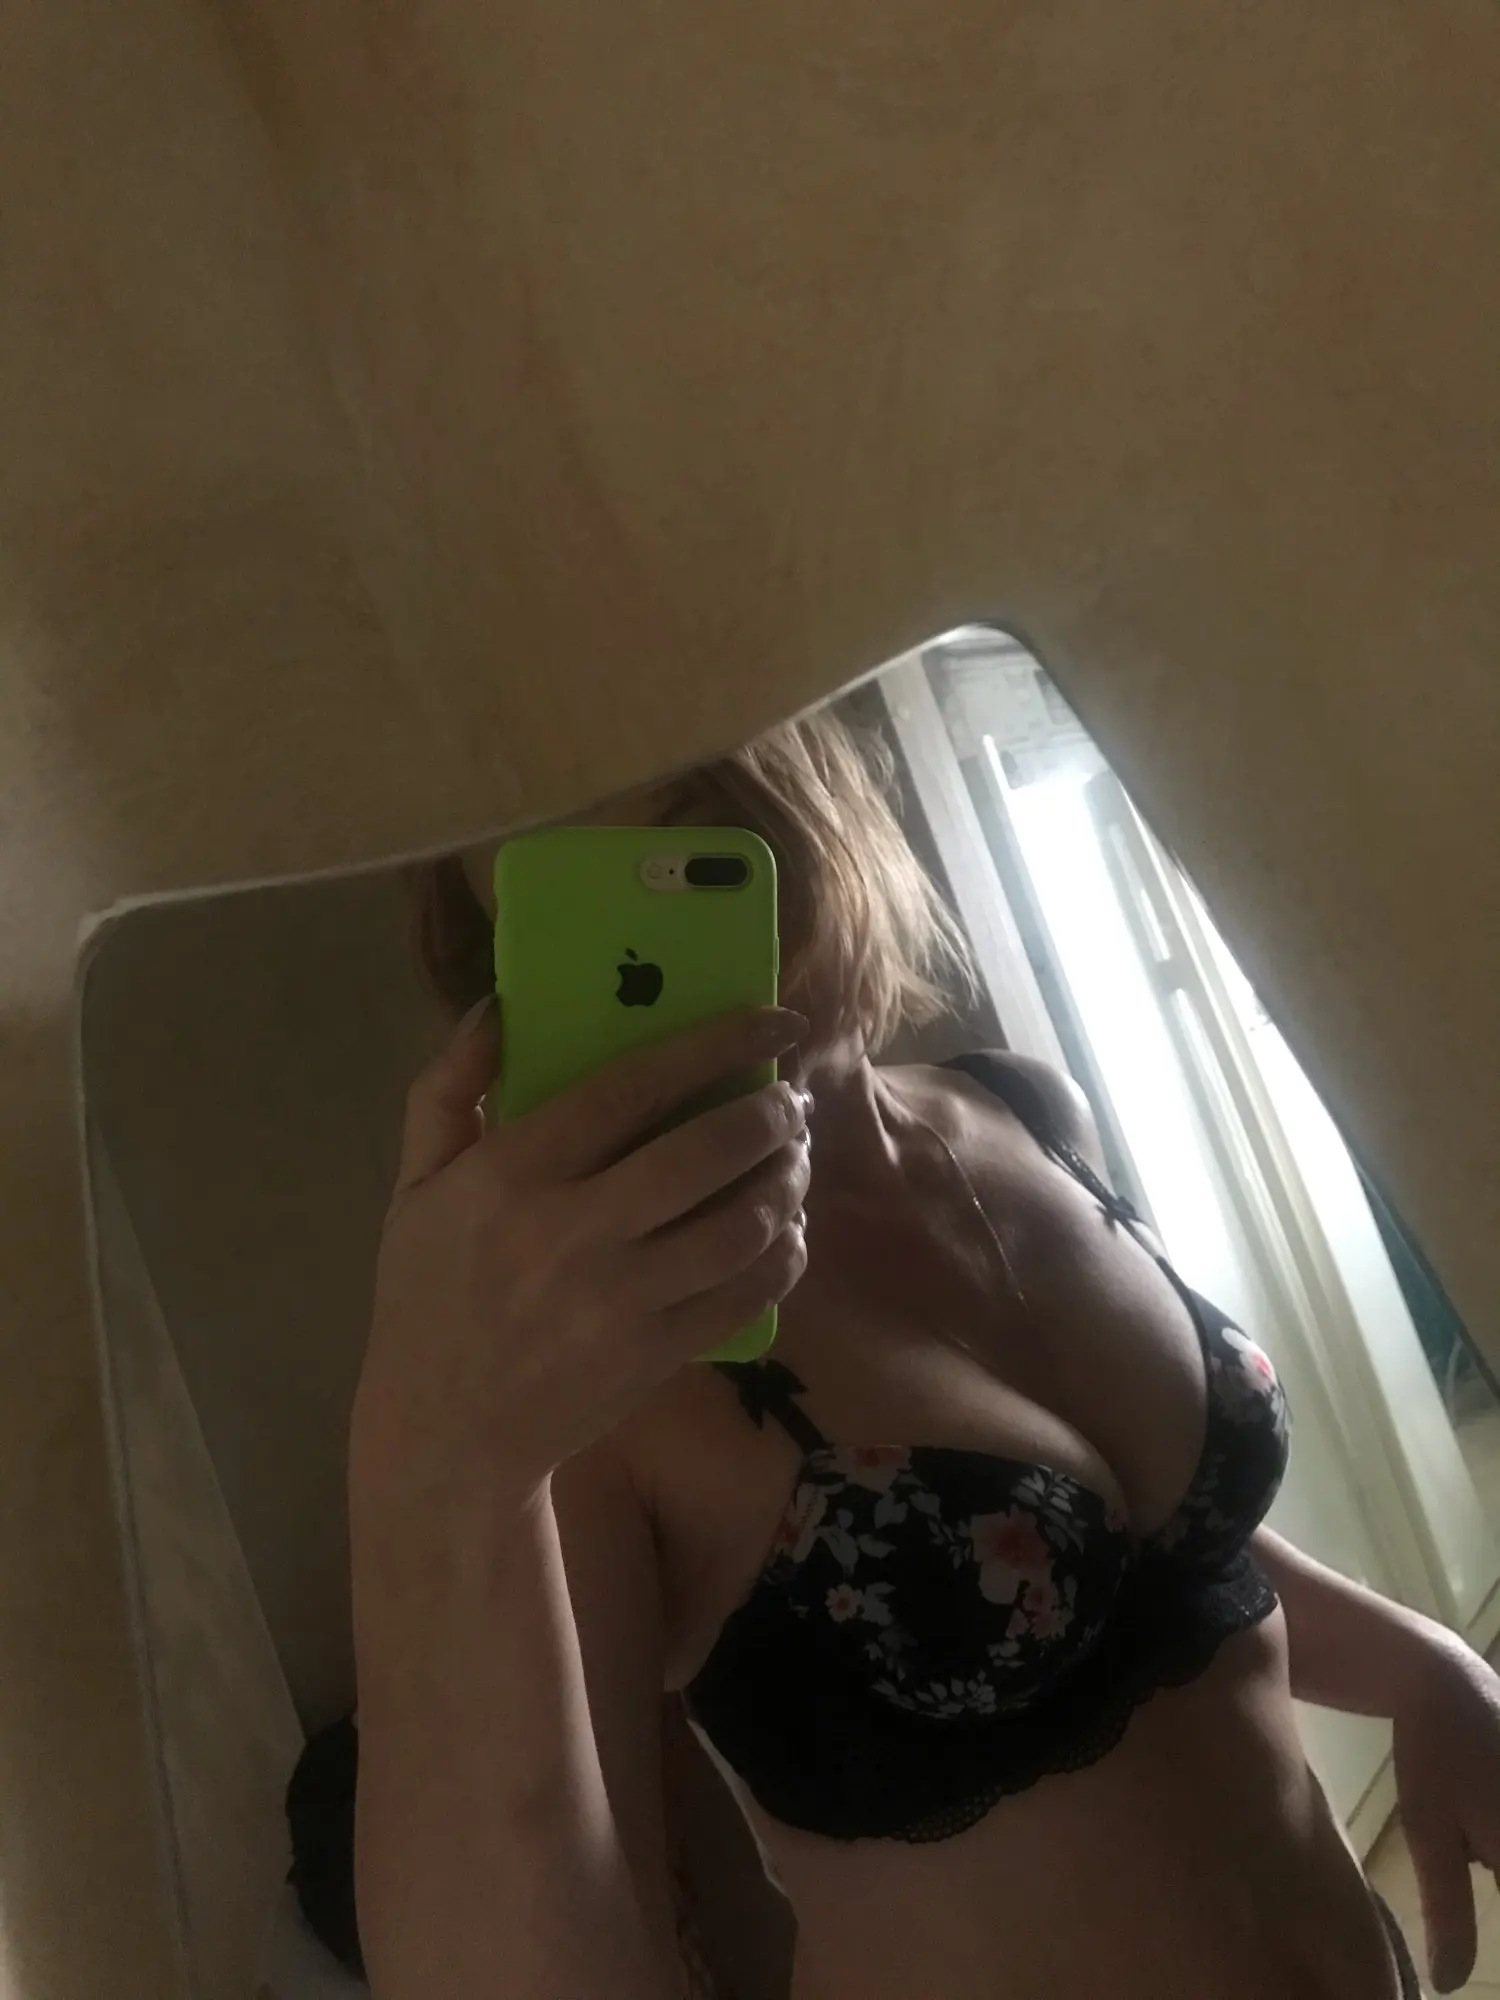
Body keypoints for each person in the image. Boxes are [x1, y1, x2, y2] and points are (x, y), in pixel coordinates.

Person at [348, 711, 1500, 2000]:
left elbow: (1159, 1566)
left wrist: (1426, 1662)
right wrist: (431, 1462)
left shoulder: (1016, 1105)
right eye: (574, 909)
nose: (657, 951)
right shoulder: (610, 1367)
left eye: (696, 845)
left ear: (806, 803)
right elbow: (543, 1946)